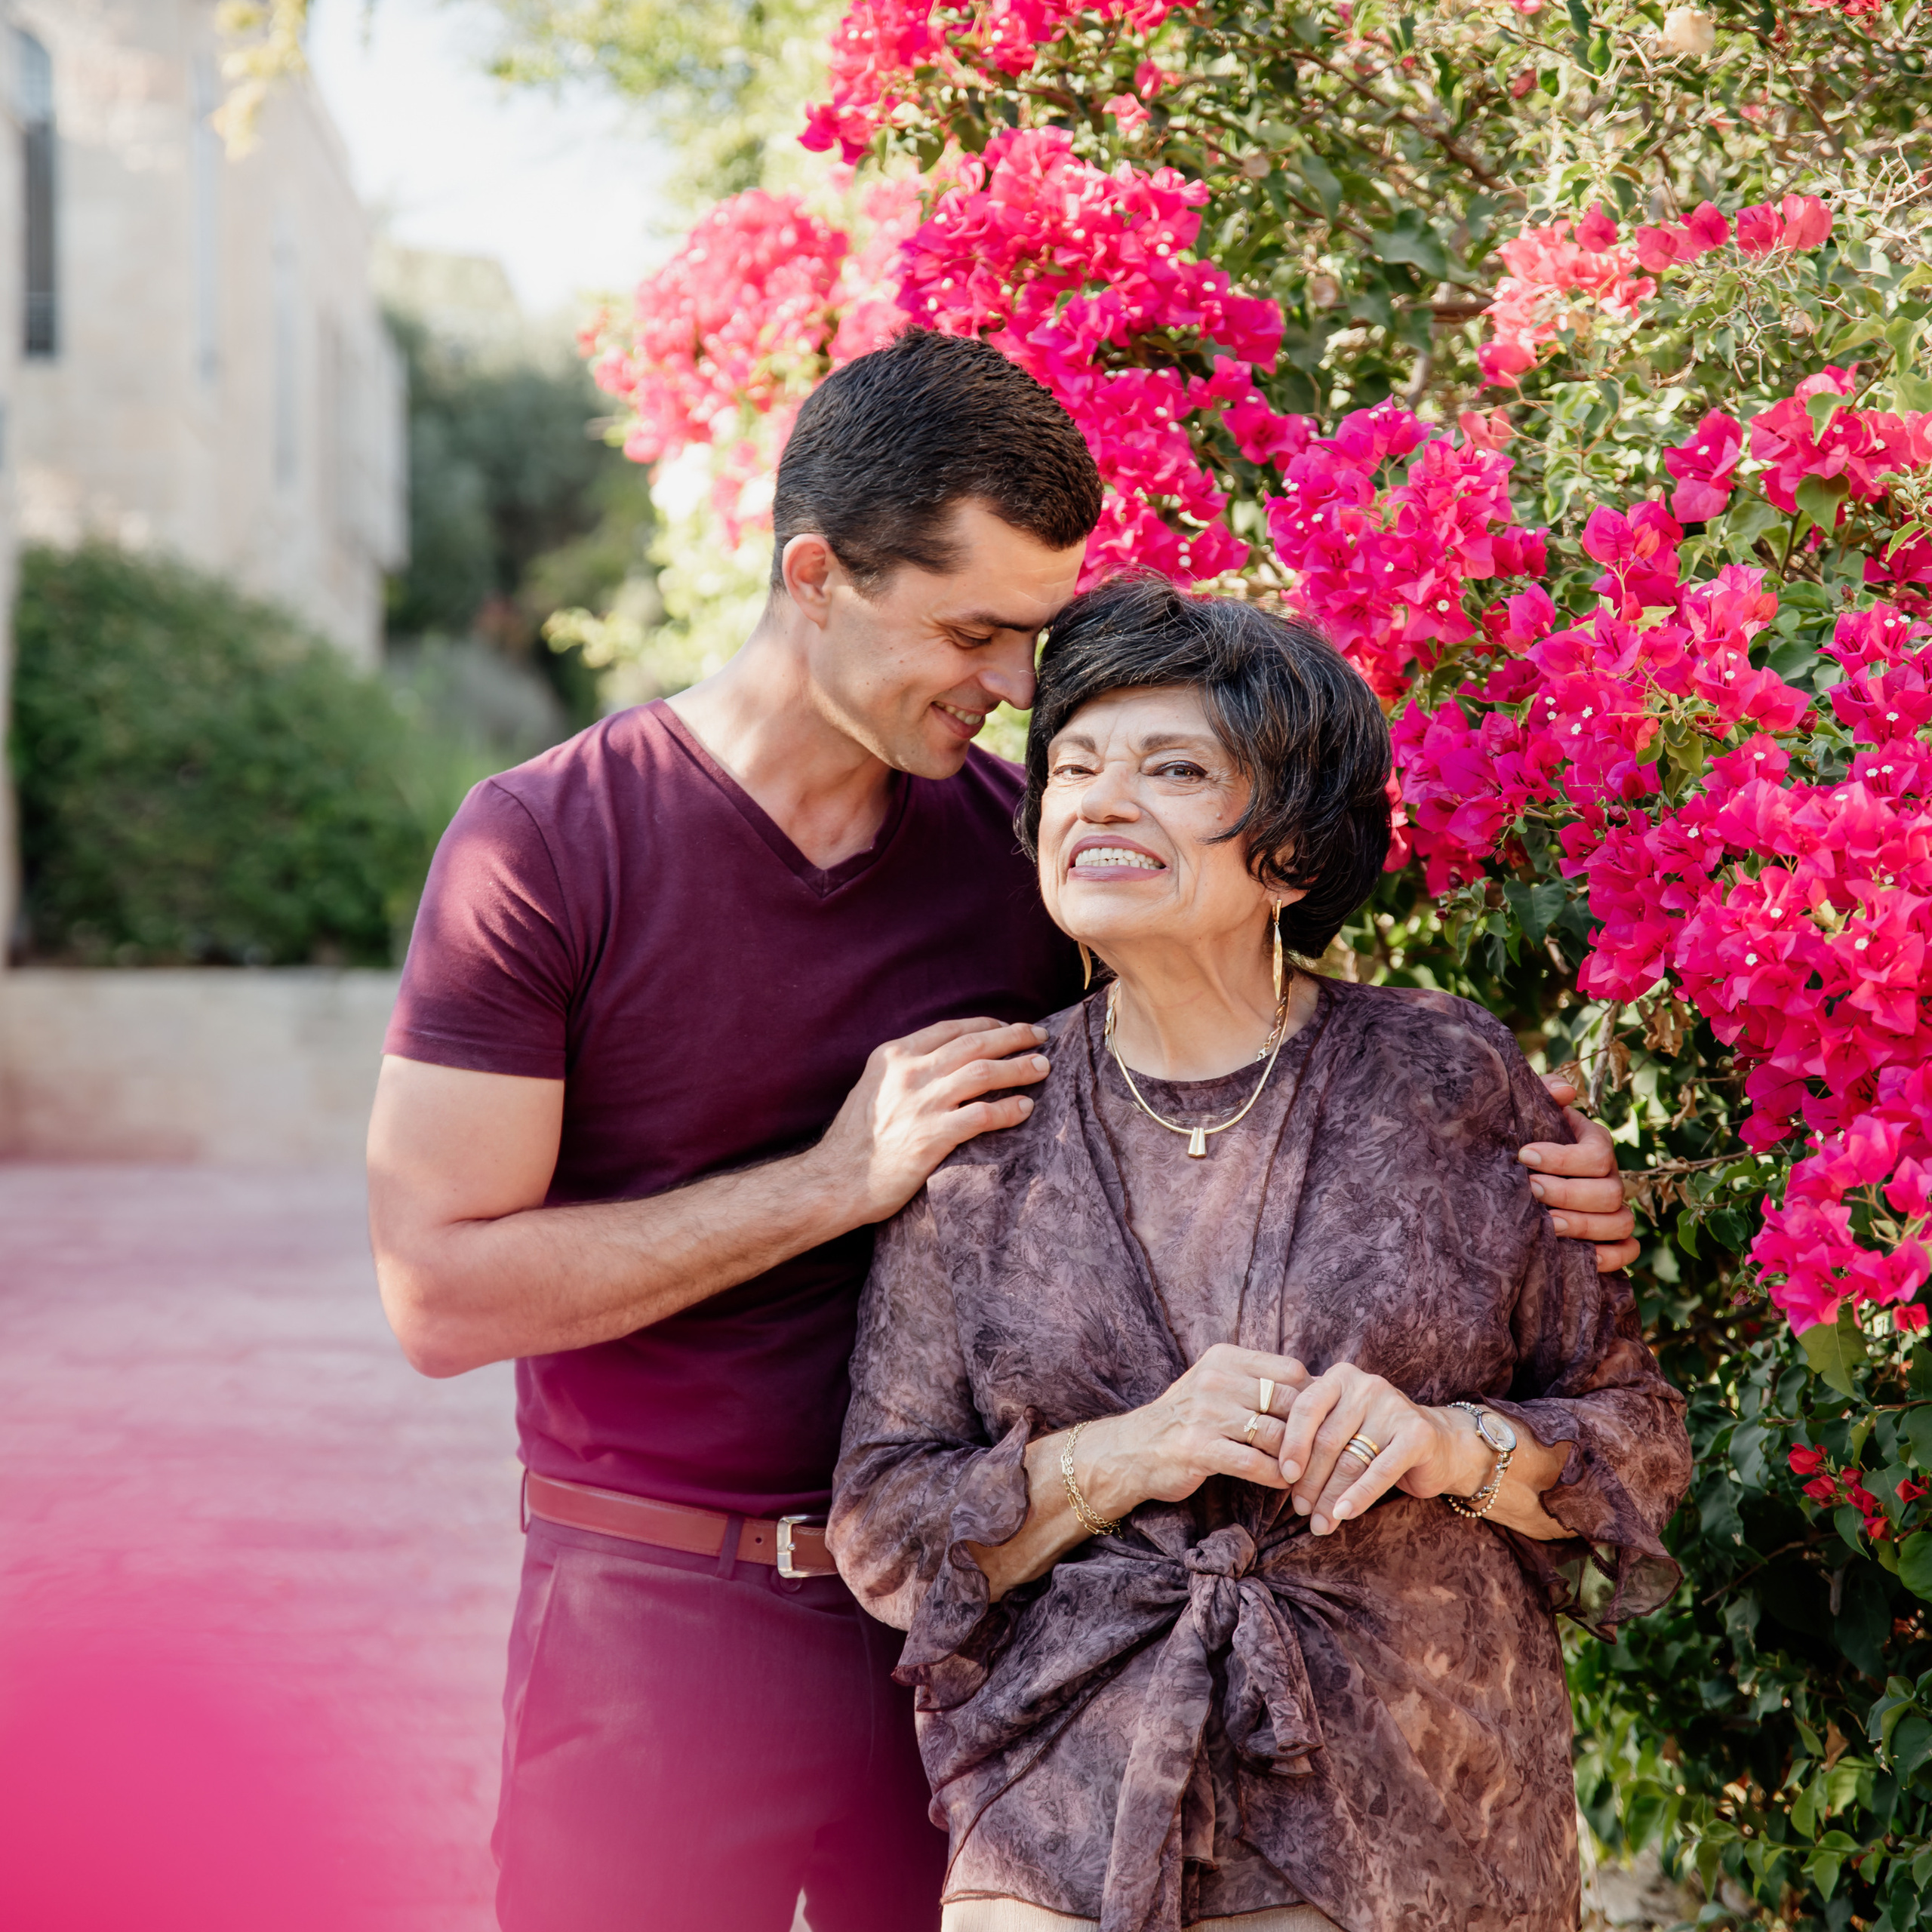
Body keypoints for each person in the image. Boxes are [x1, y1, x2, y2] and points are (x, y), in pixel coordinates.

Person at [366, 332, 1638, 1932]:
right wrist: (834, 1183)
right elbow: (438, 1291)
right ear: (815, 574)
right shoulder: (547, 841)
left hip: (1007, 1630)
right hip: (664, 1609)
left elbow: (1225, 1031)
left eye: (1034, 637)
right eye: (974, 628)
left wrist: (1527, 1176)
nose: (1015, 686)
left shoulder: (1012, 849)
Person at [830, 575, 1692, 1932]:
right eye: (1072, 766)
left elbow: (1635, 1441)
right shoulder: (987, 1122)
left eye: (1173, 769)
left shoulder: (1443, 1079)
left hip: (1409, 1819)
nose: (1100, 801)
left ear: (1291, 852)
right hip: (1062, 1832)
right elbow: (885, 1533)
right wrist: (1135, 1452)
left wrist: (1449, 1444)